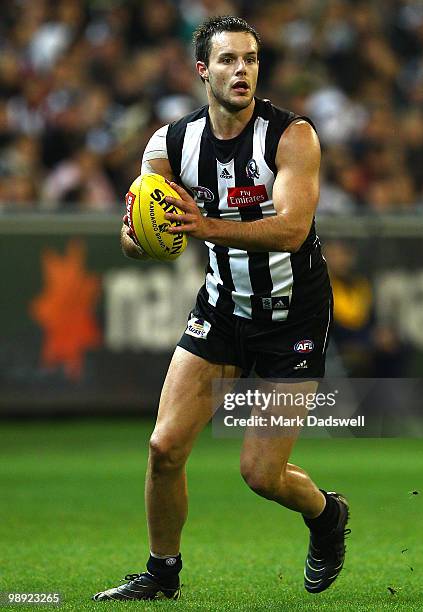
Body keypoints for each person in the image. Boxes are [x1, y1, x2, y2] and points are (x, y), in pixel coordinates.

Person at [93, 15, 350, 603]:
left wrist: (202, 226)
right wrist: (146, 237)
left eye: (252, 60)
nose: (242, 71)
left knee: (261, 475)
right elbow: (134, 231)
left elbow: (291, 230)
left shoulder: (292, 136)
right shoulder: (171, 144)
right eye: (230, 60)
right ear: (202, 71)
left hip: (293, 316)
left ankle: (326, 515)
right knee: (163, 448)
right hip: (224, 307)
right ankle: (162, 575)